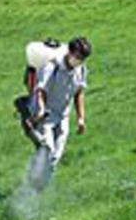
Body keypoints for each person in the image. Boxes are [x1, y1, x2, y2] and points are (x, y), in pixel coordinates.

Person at [26, 37, 91, 191]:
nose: (79, 60)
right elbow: (41, 90)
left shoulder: (80, 70)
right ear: (69, 52)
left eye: (82, 58)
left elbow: (79, 94)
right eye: (78, 56)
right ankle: (32, 179)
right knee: (47, 148)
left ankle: (38, 189)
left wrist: (81, 118)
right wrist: (41, 109)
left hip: (63, 116)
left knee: (55, 157)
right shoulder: (52, 67)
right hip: (46, 115)